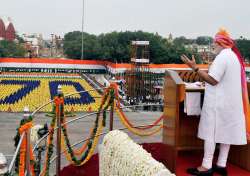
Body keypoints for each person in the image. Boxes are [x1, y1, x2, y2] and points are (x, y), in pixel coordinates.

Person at [181, 29, 250, 176]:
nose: (213, 44)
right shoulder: (233, 57)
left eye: (214, 42)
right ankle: (221, 165)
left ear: (220, 43)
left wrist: (195, 68)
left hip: (218, 105)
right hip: (230, 104)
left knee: (210, 134)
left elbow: (213, 80)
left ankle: (206, 166)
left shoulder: (222, 57)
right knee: (226, 134)